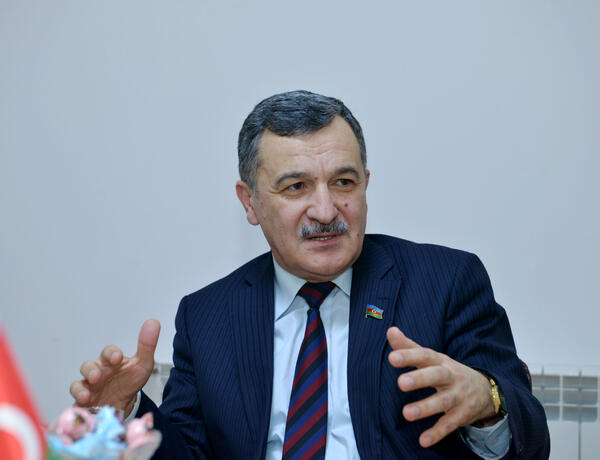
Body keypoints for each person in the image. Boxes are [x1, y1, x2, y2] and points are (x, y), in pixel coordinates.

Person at [70, 90, 550, 459]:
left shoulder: (444, 282)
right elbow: (186, 453)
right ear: (250, 202)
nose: (325, 210)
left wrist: (489, 403)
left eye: (343, 182)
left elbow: (530, 440)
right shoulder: (208, 316)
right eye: (296, 187)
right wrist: (123, 415)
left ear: (366, 185)